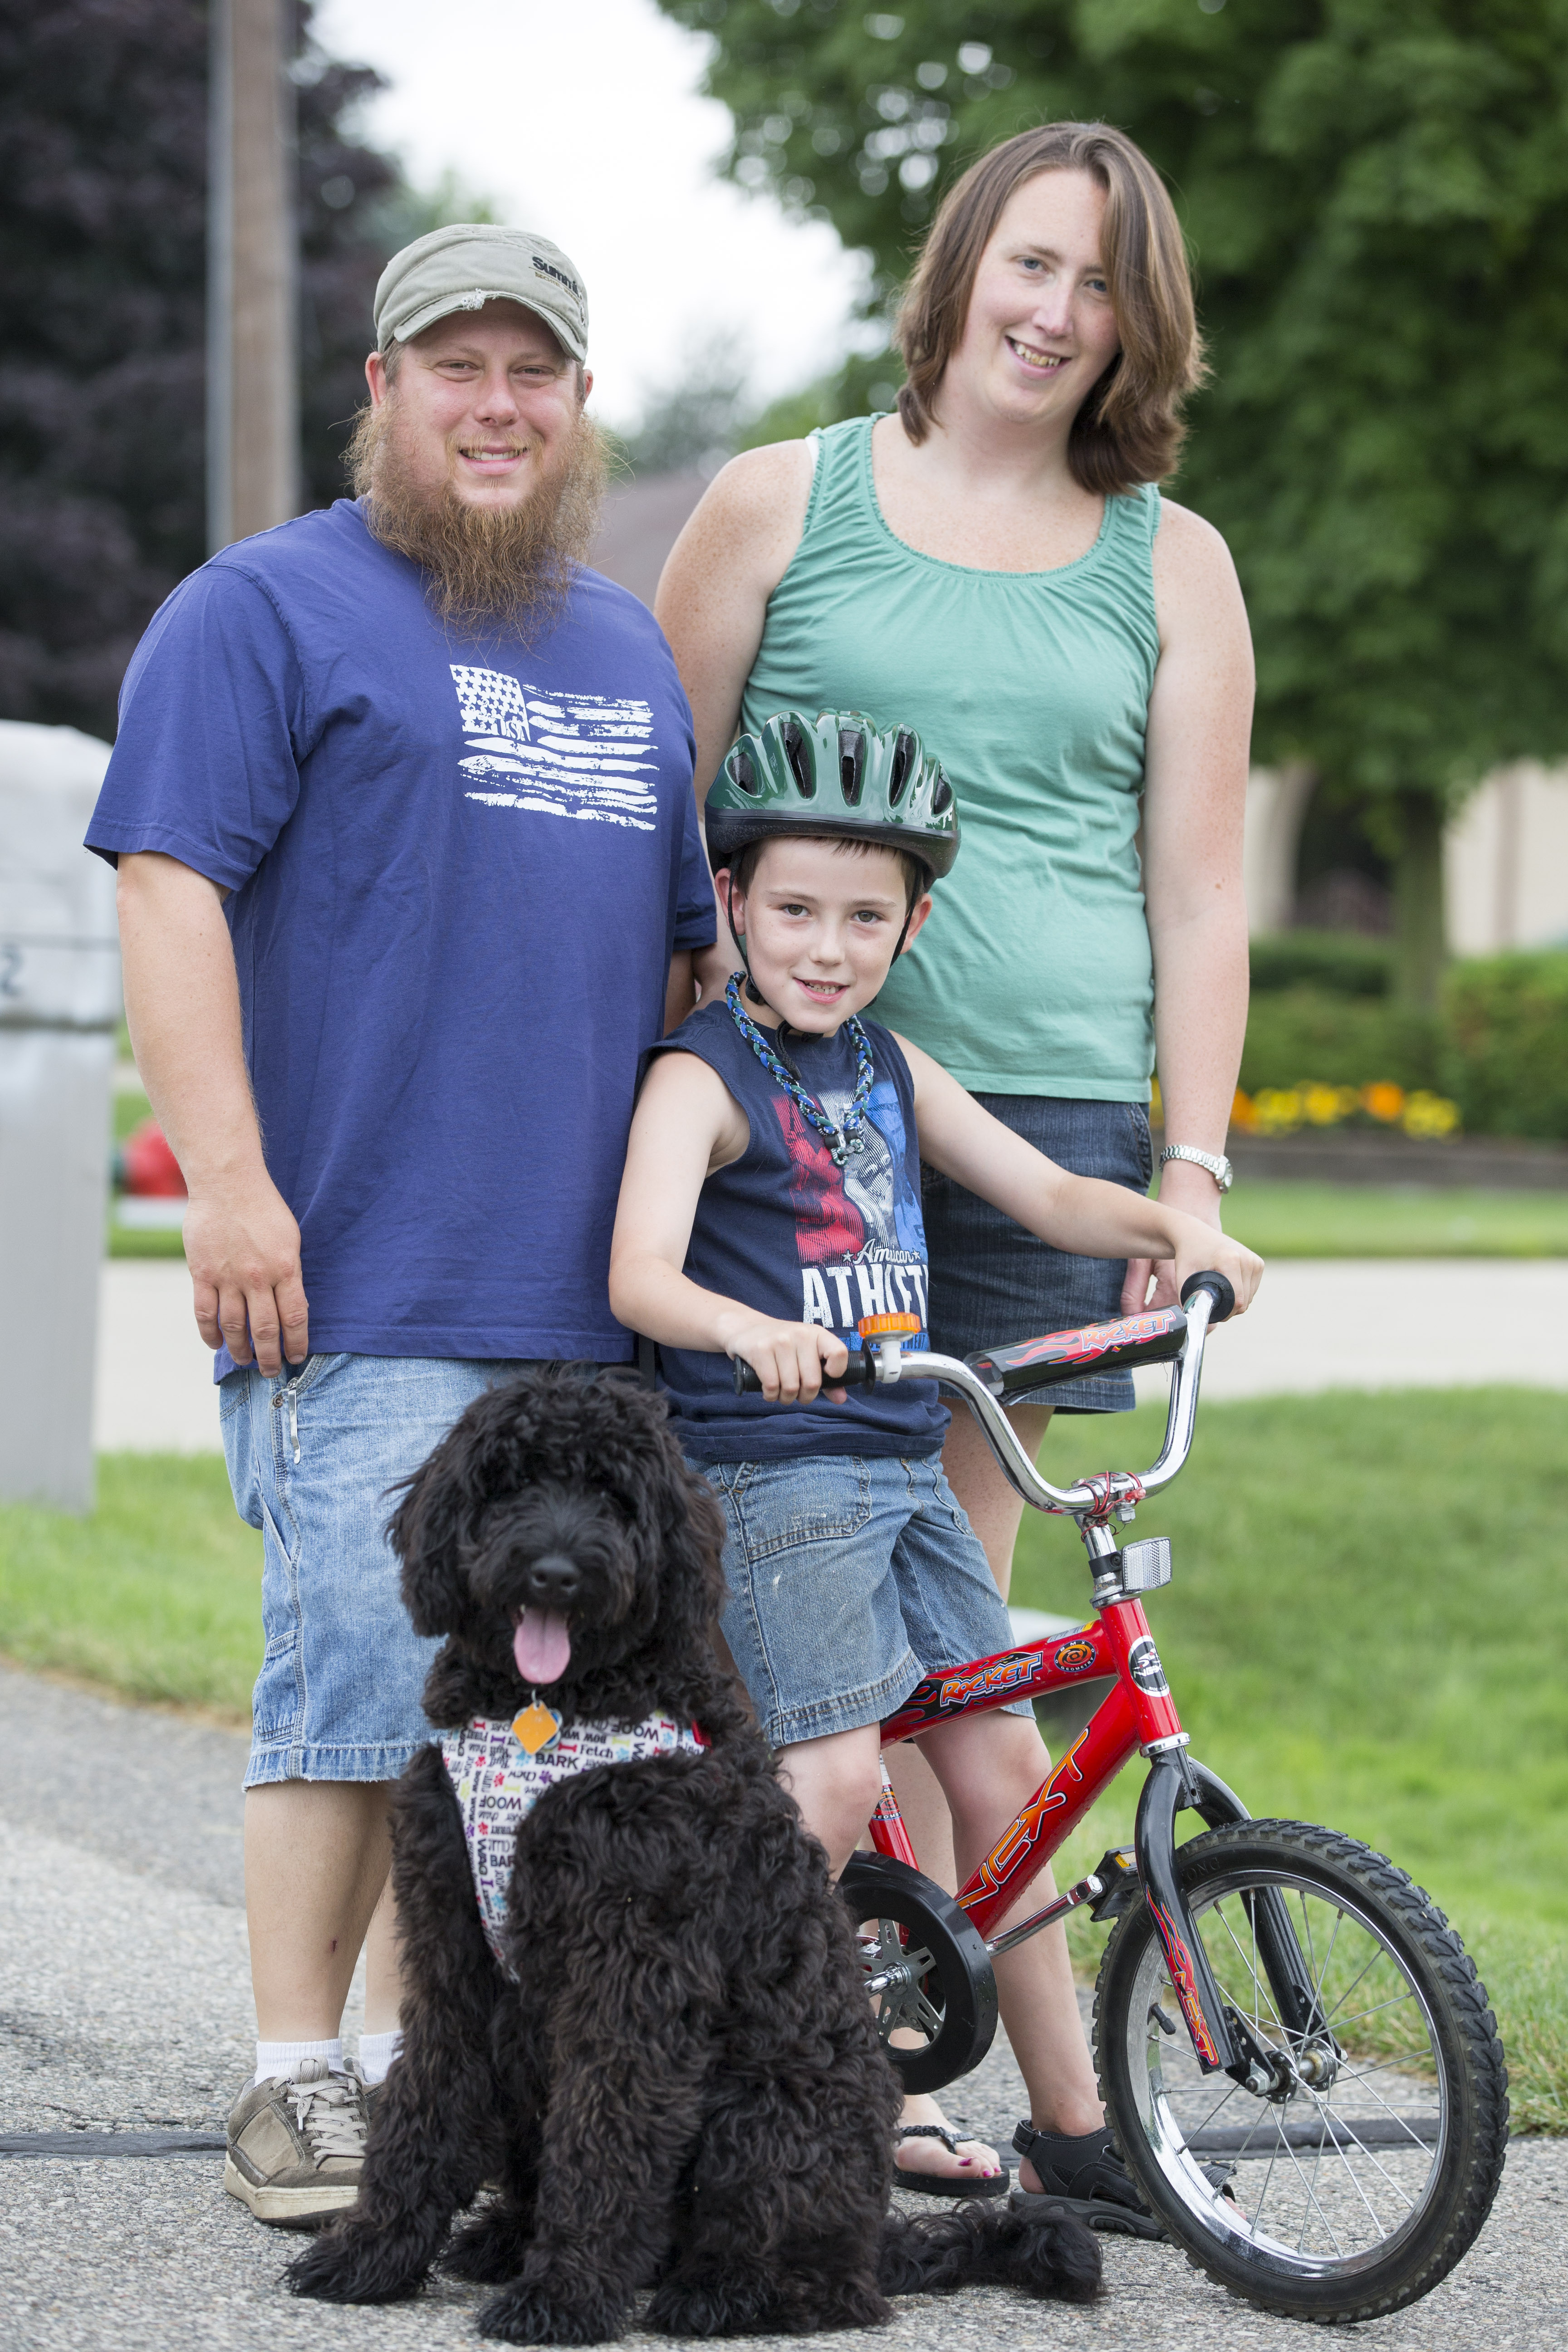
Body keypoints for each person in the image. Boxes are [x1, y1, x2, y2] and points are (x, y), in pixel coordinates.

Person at [85, 225, 715, 2225]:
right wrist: (233, 1180)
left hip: (592, 1307)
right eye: (458, 366)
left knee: (507, 1726)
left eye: (538, 370)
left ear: (583, 409)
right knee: (357, 1677)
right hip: (362, 1270)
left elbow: (690, 962)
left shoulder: (622, 648)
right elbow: (168, 887)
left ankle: (405, 2071)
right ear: (382, 390)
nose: (499, 403)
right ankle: (293, 2077)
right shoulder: (261, 611)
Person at [655, 127, 1254, 2130]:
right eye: (1029, 264)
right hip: (797, 1134)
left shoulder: (1172, 557)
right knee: (833, 1598)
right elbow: (666, 850)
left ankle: (913, 2050)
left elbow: (1193, 892)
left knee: (957, 1633)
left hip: (1040, 1125)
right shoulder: (777, 501)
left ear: (1135, 324)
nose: (1053, 312)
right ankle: (867, 2070)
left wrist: (1191, 1172)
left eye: (1099, 285)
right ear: (961, 268)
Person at [607, 712, 1262, 2204]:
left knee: (1008, 1765)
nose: (826, 946)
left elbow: (1041, 1191)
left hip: (906, 1462)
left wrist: (1176, 1227)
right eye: (792, 911)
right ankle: (678, 2099)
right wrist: (743, 1327)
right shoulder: (699, 1079)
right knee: (830, 1785)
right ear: (731, 905)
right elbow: (638, 1272)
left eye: (864, 915)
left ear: (914, 922)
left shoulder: (892, 1069)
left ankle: (1082, 2137)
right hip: (776, 1477)